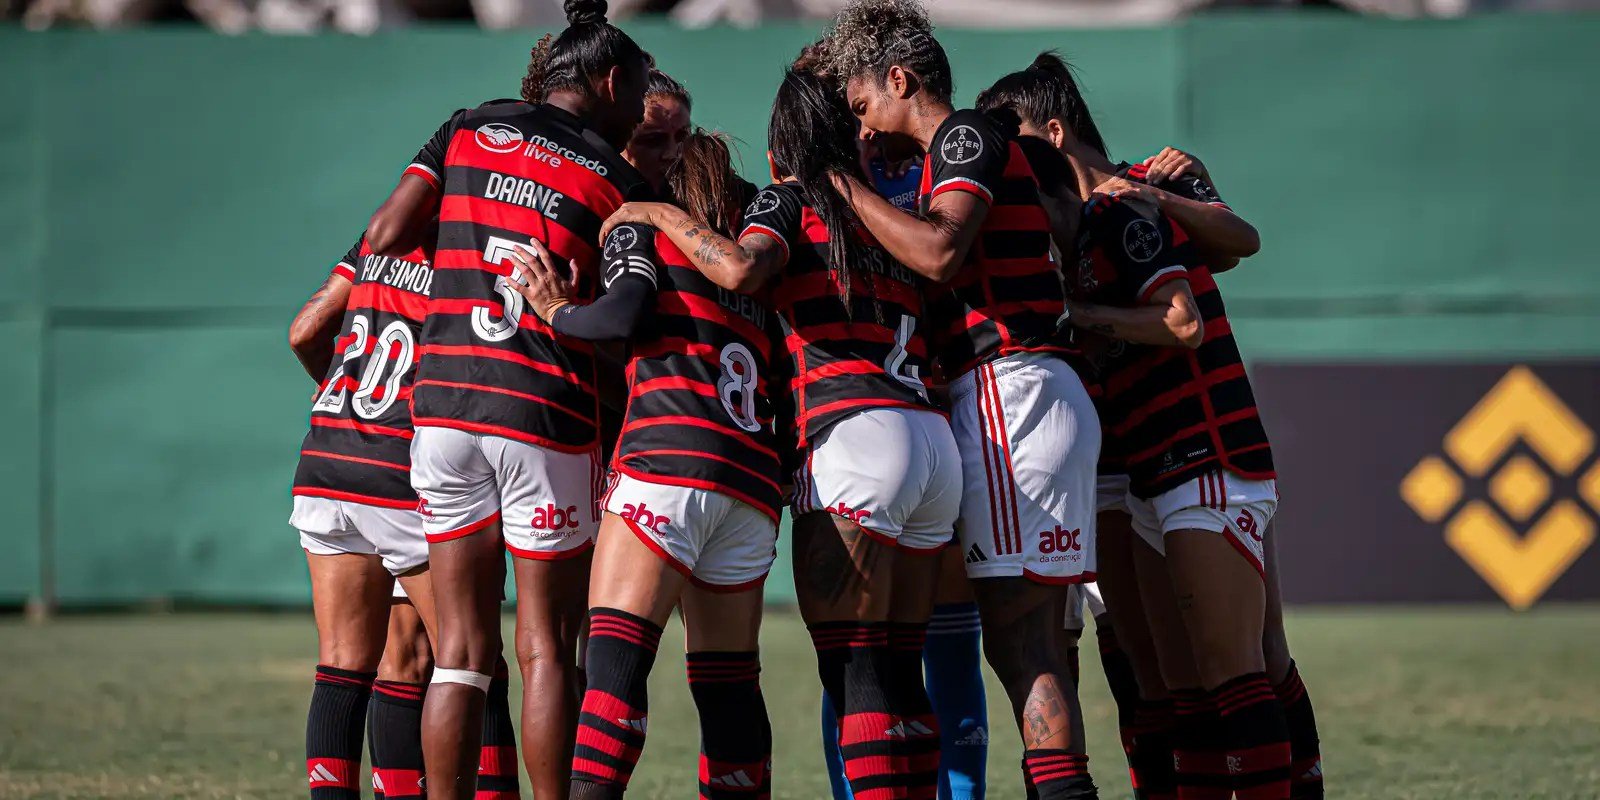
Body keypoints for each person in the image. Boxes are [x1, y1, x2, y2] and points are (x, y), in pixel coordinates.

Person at [603, 63, 961, 800]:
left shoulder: (790, 197)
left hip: (855, 435)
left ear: (781, 147)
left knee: (855, 669)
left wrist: (658, 213)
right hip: (934, 443)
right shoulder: (891, 213)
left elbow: (740, 269)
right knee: (902, 668)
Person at [980, 53, 1297, 800]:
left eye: (1016, 144)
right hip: (1126, 462)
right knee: (1159, 672)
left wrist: (1153, 197)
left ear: (1052, 134)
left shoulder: (1140, 191)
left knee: (1246, 667)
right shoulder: (1065, 226)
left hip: (1201, 448)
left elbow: (1235, 247)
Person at [362, 1, 654, 795]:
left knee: (458, 653)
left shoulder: (465, 127)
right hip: (542, 412)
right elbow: (619, 321)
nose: (640, 116)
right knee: (545, 649)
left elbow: (386, 236)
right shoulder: (617, 181)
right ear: (610, 80)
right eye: (639, 97)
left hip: (446, 407)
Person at [819, 2, 1103, 795]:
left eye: (863, 104)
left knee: (1024, 651)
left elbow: (941, 252)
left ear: (900, 78)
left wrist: (837, 181)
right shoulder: (955, 150)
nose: (863, 126)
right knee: (1039, 645)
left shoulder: (966, 135)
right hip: (1029, 391)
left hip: (1010, 390)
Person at [502, 130, 778, 800]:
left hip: (668, 461)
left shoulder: (640, 227)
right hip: (750, 483)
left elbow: (622, 315)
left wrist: (557, 309)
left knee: (614, 672)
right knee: (730, 686)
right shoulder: (747, 263)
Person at [288, 236, 522, 800]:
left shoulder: (378, 242)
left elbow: (303, 332)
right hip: (402, 467)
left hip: (328, 458)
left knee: (358, 664)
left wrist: (348, 398)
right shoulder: (478, 248)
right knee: (472, 661)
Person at [818, 133, 990, 800]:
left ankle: (958, 792)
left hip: (928, 413)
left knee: (904, 644)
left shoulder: (931, 173)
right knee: (868, 652)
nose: (859, 125)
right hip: (906, 424)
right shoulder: (834, 188)